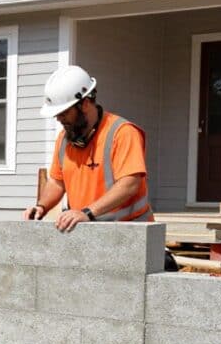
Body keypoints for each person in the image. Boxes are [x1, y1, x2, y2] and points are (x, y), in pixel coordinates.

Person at [24, 65, 153, 232]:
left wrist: (88, 213)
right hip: (89, 233)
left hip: (132, 233)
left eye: (64, 113)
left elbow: (129, 184)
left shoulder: (122, 133)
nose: (58, 119)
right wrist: (41, 206)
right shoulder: (65, 139)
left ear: (84, 103)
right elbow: (57, 182)